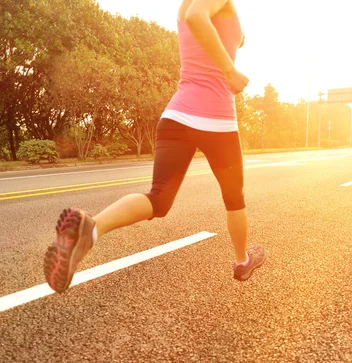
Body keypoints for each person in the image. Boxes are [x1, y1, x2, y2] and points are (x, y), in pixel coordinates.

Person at [43, 0, 265, 294]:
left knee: (158, 199)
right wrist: (230, 71)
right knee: (234, 199)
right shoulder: (205, 6)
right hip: (216, 121)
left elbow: (203, 20)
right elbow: (198, 17)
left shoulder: (191, 4)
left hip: (176, 117)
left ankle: (91, 227)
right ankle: (242, 261)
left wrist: (237, 36)